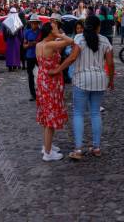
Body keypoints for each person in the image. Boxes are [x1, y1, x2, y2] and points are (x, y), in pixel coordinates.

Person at [51, 15, 114, 160]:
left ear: (86, 26)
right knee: (95, 114)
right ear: (98, 27)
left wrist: (58, 69)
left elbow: (72, 58)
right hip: (99, 80)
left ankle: (78, 149)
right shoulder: (105, 41)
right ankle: (96, 147)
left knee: (79, 113)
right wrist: (111, 80)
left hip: (82, 80)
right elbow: (110, 64)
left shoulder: (79, 38)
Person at [35, 23, 73, 161]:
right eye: (55, 27)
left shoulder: (40, 44)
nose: (58, 29)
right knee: (51, 115)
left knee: (46, 113)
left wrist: (55, 35)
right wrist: (58, 34)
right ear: (51, 32)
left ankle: (47, 145)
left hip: (43, 79)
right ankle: (48, 153)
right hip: (51, 81)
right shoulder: (50, 45)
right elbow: (70, 41)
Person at [24, 14, 42, 101]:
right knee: (30, 75)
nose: (34, 25)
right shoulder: (27, 32)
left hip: (39, 55)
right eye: (32, 23)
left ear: (38, 23)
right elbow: (24, 45)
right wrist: (29, 45)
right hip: (30, 56)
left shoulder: (41, 32)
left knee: (41, 75)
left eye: (35, 23)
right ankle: (32, 94)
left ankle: (41, 92)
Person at [3, 7, 23, 72]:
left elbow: (4, 32)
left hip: (9, 40)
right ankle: (15, 65)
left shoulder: (6, 21)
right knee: (16, 53)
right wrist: (20, 39)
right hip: (16, 40)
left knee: (9, 53)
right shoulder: (18, 21)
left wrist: (5, 39)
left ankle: (9, 66)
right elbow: (20, 32)